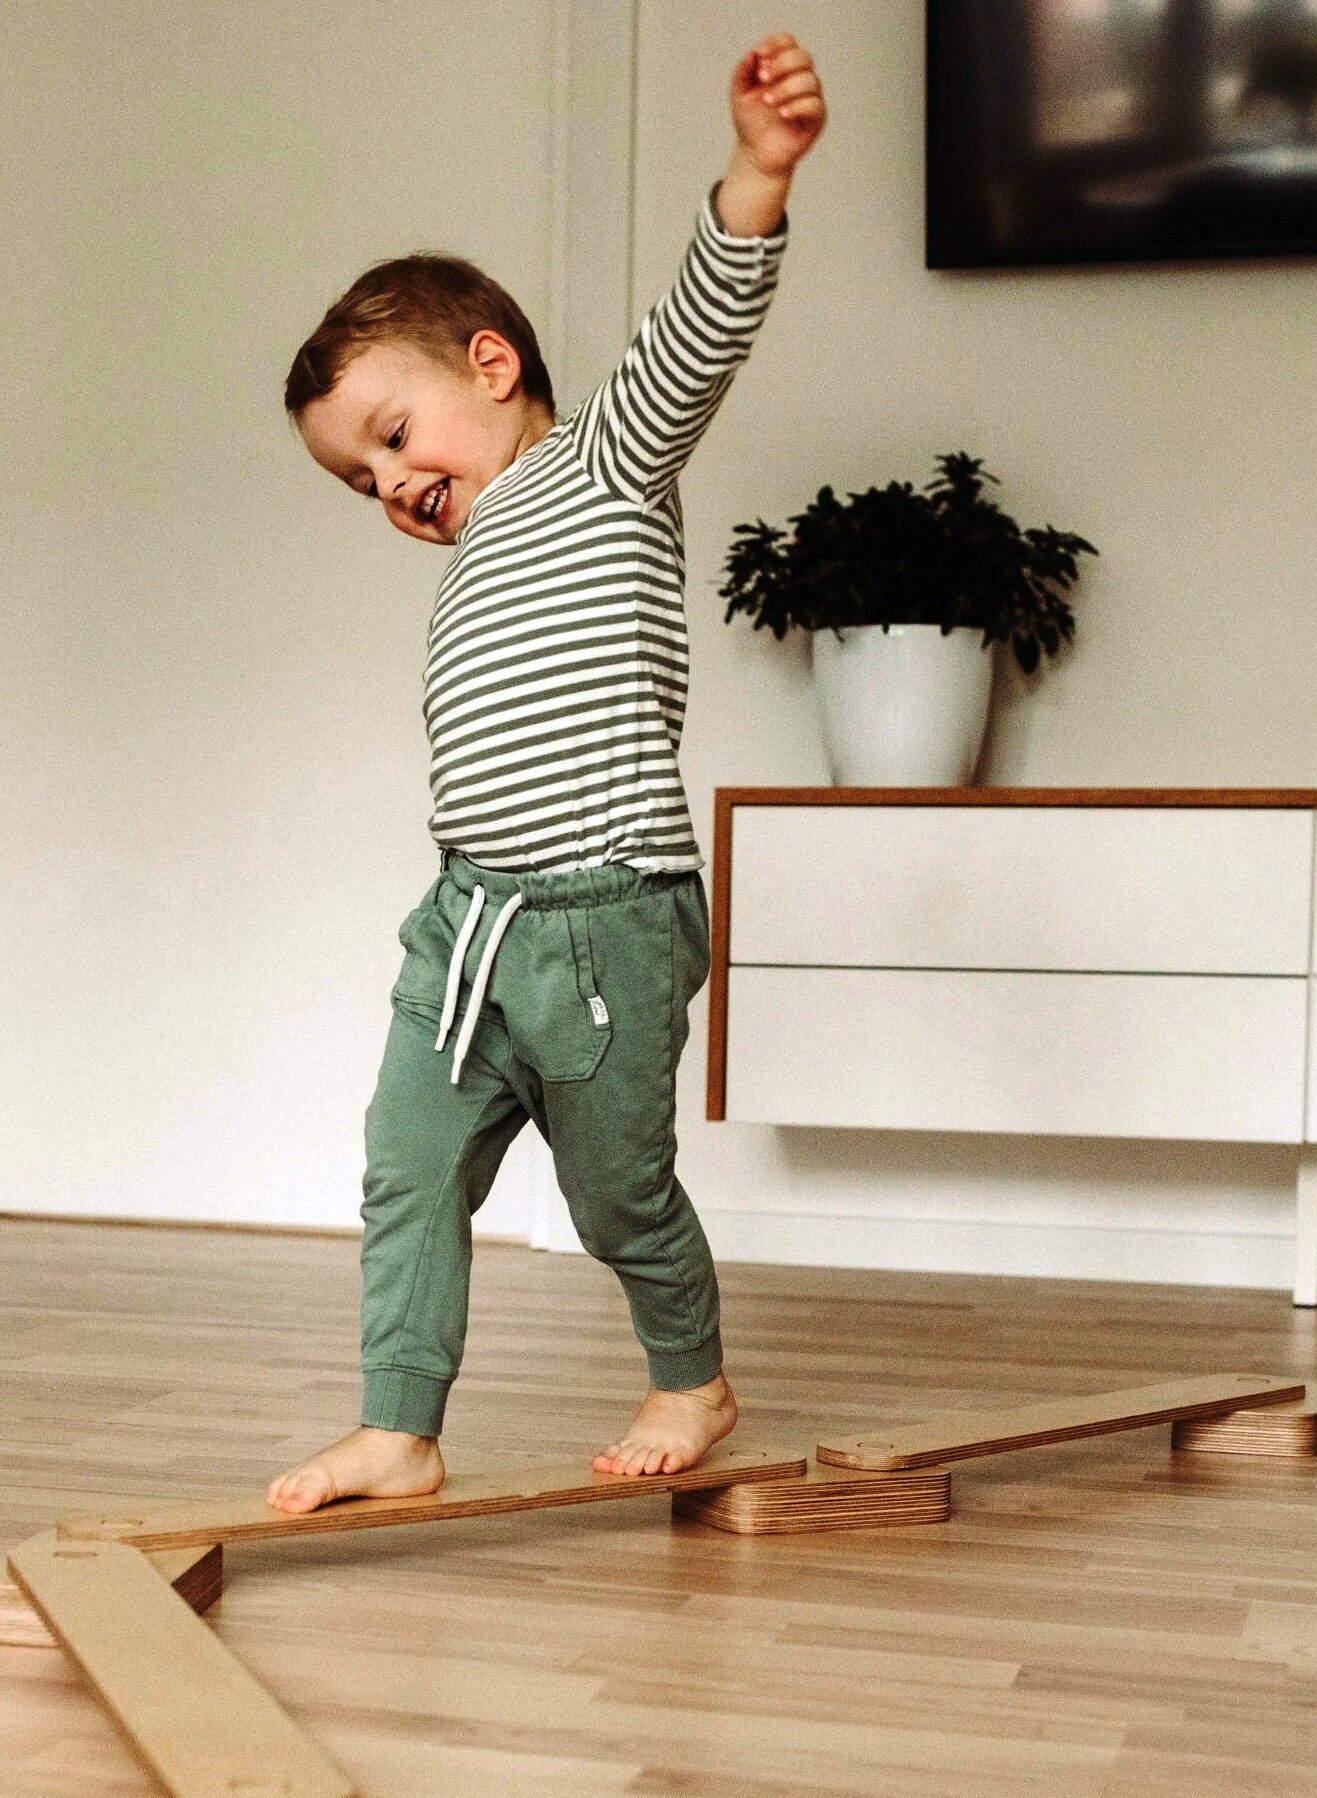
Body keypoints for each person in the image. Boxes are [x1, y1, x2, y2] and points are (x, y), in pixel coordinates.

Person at [267, 32, 827, 1513]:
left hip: (603, 924)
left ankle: (693, 1378)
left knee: (614, 1192)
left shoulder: (601, 467)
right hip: (470, 922)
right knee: (406, 1161)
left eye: (393, 437)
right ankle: (401, 1424)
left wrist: (755, 175)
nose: (391, 485)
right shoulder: (468, 556)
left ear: (492, 365)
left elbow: (694, 334)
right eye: (361, 479)